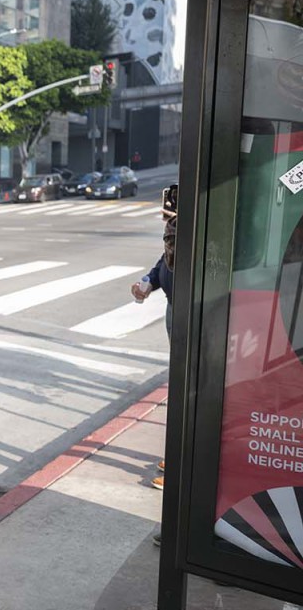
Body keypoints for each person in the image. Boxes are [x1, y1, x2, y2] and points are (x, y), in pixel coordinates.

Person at [131, 184, 177, 513]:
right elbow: (166, 261)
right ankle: (177, 460)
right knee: (182, 391)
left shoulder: (202, 225)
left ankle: (181, 467)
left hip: (197, 314)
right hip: (178, 311)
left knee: (189, 395)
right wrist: (148, 282)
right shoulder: (180, 227)